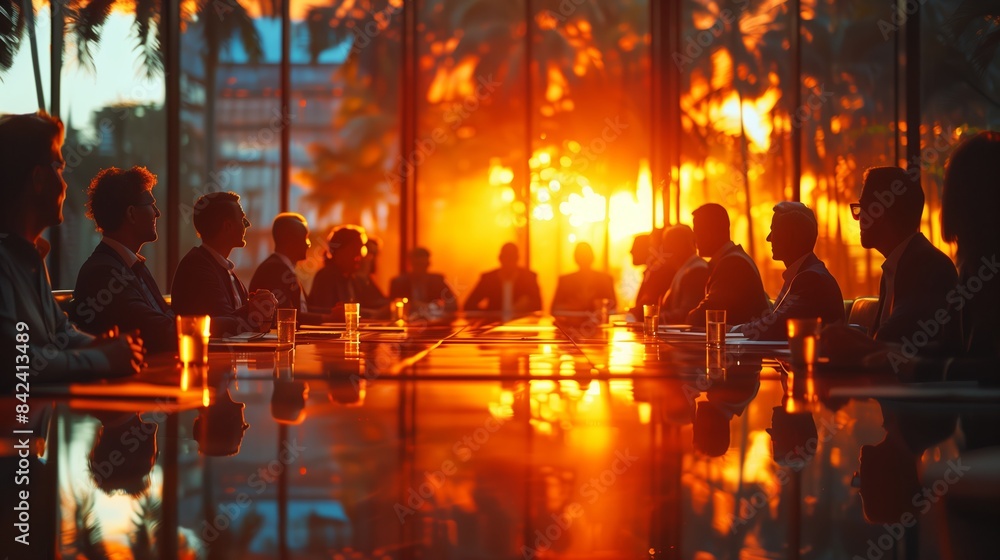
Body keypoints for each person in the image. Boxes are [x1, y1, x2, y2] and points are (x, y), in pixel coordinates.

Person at [0, 111, 144, 387]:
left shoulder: (30, 256)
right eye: (60, 169)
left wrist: (104, 345)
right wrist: (103, 359)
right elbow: (15, 362)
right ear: (39, 178)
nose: (65, 185)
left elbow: (59, 332)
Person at [854, 167, 960, 354]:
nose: (857, 217)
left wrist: (848, 340)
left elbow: (892, 337)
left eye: (861, 208)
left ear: (879, 212)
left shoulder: (929, 267)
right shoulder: (899, 264)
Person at [73, 167, 176, 353]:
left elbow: (165, 320)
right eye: (151, 204)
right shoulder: (102, 274)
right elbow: (155, 331)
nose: (157, 212)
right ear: (131, 214)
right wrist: (205, 327)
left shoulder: (130, 265)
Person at [170, 192, 277, 337]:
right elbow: (225, 325)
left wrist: (258, 306)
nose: (247, 224)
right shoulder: (197, 267)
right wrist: (256, 306)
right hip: (208, 356)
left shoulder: (221, 267)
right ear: (227, 226)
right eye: (242, 219)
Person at [734, 202, 845, 340]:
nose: (768, 238)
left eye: (774, 230)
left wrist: (732, 330)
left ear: (791, 236)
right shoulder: (804, 274)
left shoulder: (811, 279)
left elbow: (777, 326)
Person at [686, 203, 771, 327]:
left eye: (697, 231)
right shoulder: (732, 260)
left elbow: (706, 315)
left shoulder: (732, 265)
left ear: (710, 233)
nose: (694, 239)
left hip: (743, 345)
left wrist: (689, 317)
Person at [249, 213, 334, 325]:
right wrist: (329, 317)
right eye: (305, 238)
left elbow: (305, 309)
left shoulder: (284, 268)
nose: (308, 244)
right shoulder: (274, 270)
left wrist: (332, 313)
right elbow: (286, 315)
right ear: (289, 240)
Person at [308, 225, 388, 318]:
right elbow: (327, 313)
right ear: (339, 251)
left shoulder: (352, 278)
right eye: (354, 250)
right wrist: (373, 314)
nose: (360, 256)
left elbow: (369, 303)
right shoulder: (326, 277)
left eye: (360, 250)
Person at [463, 242, 542, 316]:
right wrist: (489, 316)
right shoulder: (488, 279)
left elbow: (538, 306)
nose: (509, 262)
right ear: (500, 259)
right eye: (507, 258)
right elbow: (469, 305)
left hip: (521, 325)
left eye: (512, 258)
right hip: (493, 325)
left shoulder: (528, 278)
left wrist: (526, 307)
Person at [657, 224, 709, 324]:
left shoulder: (696, 271)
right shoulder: (687, 268)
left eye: (668, 245)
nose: (665, 251)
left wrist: (657, 317)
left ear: (679, 245)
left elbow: (687, 311)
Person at [550, 242, 616, 315]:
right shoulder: (565, 281)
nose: (583, 258)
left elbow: (613, 306)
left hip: (598, 324)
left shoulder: (605, 279)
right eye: (581, 255)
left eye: (585, 254)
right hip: (571, 324)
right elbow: (555, 309)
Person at [389, 246, 459, 315]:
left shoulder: (437, 281)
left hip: (433, 323)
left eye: (424, 265)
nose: (421, 268)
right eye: (418, 264)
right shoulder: (399, 283)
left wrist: (432, 306)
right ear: (411, 264)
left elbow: (453, 304)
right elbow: (391, 306)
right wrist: (411, 305)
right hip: (407, 321)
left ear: (428, 264)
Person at [629, 230, 676, 321]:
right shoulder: (651, 273)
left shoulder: (659, 274)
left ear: (648, 250)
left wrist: (632, 313)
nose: (630, 251)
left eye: (635, 247)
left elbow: (647, 305)